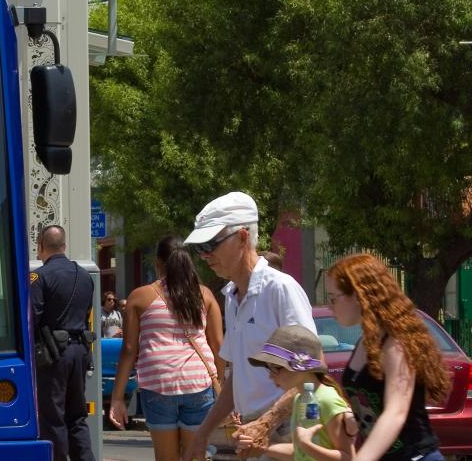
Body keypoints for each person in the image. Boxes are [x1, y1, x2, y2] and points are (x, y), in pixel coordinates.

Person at [181, 192, 317, 461]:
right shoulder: (232, 296)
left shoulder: (280, 289)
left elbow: (311, 371)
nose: (205, 255)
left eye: (212, 244)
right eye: (200, 247)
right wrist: (203, 433)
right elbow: (237, 378)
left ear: (243, 237)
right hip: (254, 431)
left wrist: (265, 424)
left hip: (287, 431)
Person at [324, 254, 450, 461]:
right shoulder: (364, 343)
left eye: (333, 298)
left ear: (357, 295)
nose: (330, 306)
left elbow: (396, 412)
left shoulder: (396, 344)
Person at [108, 236, 223, 461]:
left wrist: (117, 398)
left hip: (158, 383)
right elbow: (218, 344)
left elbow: (129, 349)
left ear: (158, 263)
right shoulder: (204, 295)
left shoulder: (140, 296)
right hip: (198, 382)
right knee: (195, 456)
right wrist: (223, 387)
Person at [237, 325, 356, 461]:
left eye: (275, 368)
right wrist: (262, 448)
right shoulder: (301, 398)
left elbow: (348, 457)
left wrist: (307, 445)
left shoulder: (327, 400)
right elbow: (300, 452)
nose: (271, 376)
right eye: (268, 369)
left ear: (301, 366)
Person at [30, 225, 95, 461]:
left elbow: (32, 318)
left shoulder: (39, 277)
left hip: (53, 354)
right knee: (77, 416)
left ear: (40, 247)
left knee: (52, 416)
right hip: (80, 351)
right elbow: (87, 314)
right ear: (64, 246)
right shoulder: (84, 276)